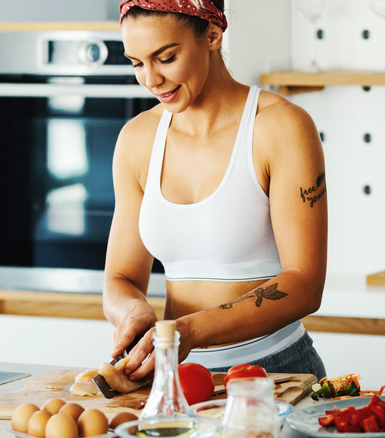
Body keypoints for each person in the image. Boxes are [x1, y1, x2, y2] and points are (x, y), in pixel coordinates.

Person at [102, 0, 328, 381]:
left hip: (274, 372)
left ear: (212, 34)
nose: (151, 80)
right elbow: (119, 277)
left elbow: (305, 284)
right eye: (137, 63)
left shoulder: (280, 127)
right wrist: (132, 312)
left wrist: (189, 330)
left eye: (166, 57)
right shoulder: (137, 139)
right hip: (174, 374)